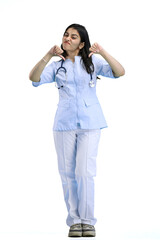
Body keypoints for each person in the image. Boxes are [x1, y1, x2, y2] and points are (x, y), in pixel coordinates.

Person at [29, 23, 125, 237]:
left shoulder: (92, 63)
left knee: (85, 172)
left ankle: (88, 221)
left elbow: (120, 72)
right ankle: (75, 221)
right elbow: (34, 78)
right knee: (67, 173)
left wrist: (103, 51)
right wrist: (47, 55)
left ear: (82, 43)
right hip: (64, 124)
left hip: (90, 124)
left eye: (73, 36)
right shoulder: (57, 66)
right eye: (65, 35)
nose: (67, 38)